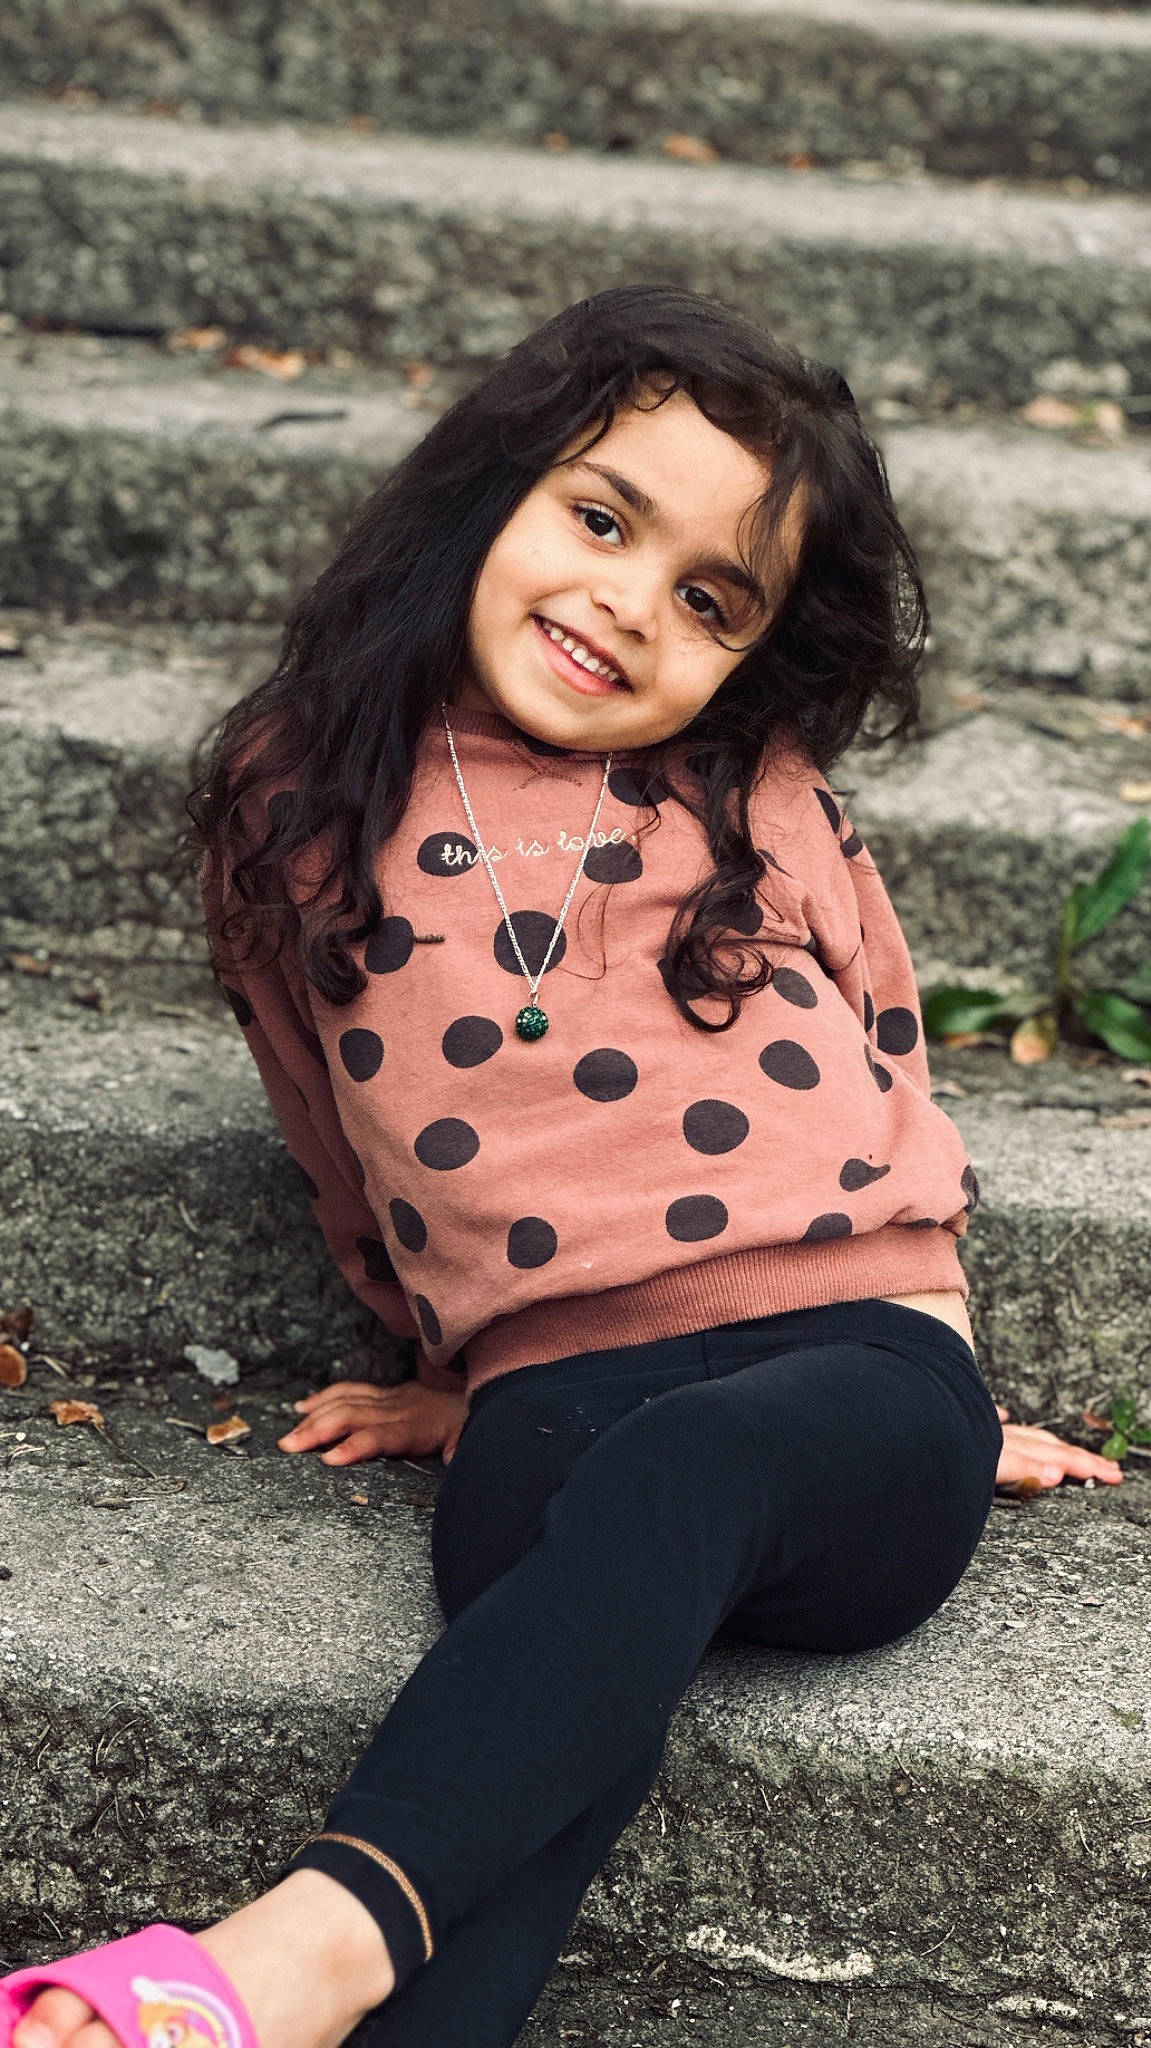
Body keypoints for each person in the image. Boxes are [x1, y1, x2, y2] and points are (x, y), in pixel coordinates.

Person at [4, 286, 1121, 2048]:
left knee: (687, 1469)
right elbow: (337, 1137)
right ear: (494, 493)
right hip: (552, 1394)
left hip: (853, 1371)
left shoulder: (755, 787)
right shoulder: (304, 806)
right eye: (601, 520)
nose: (627, 603)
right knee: (537, 1759)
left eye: (707, 599)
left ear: (750, 656)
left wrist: (952, 1369)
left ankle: (275, 1964)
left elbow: (893, 1072)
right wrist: (447, 1370)